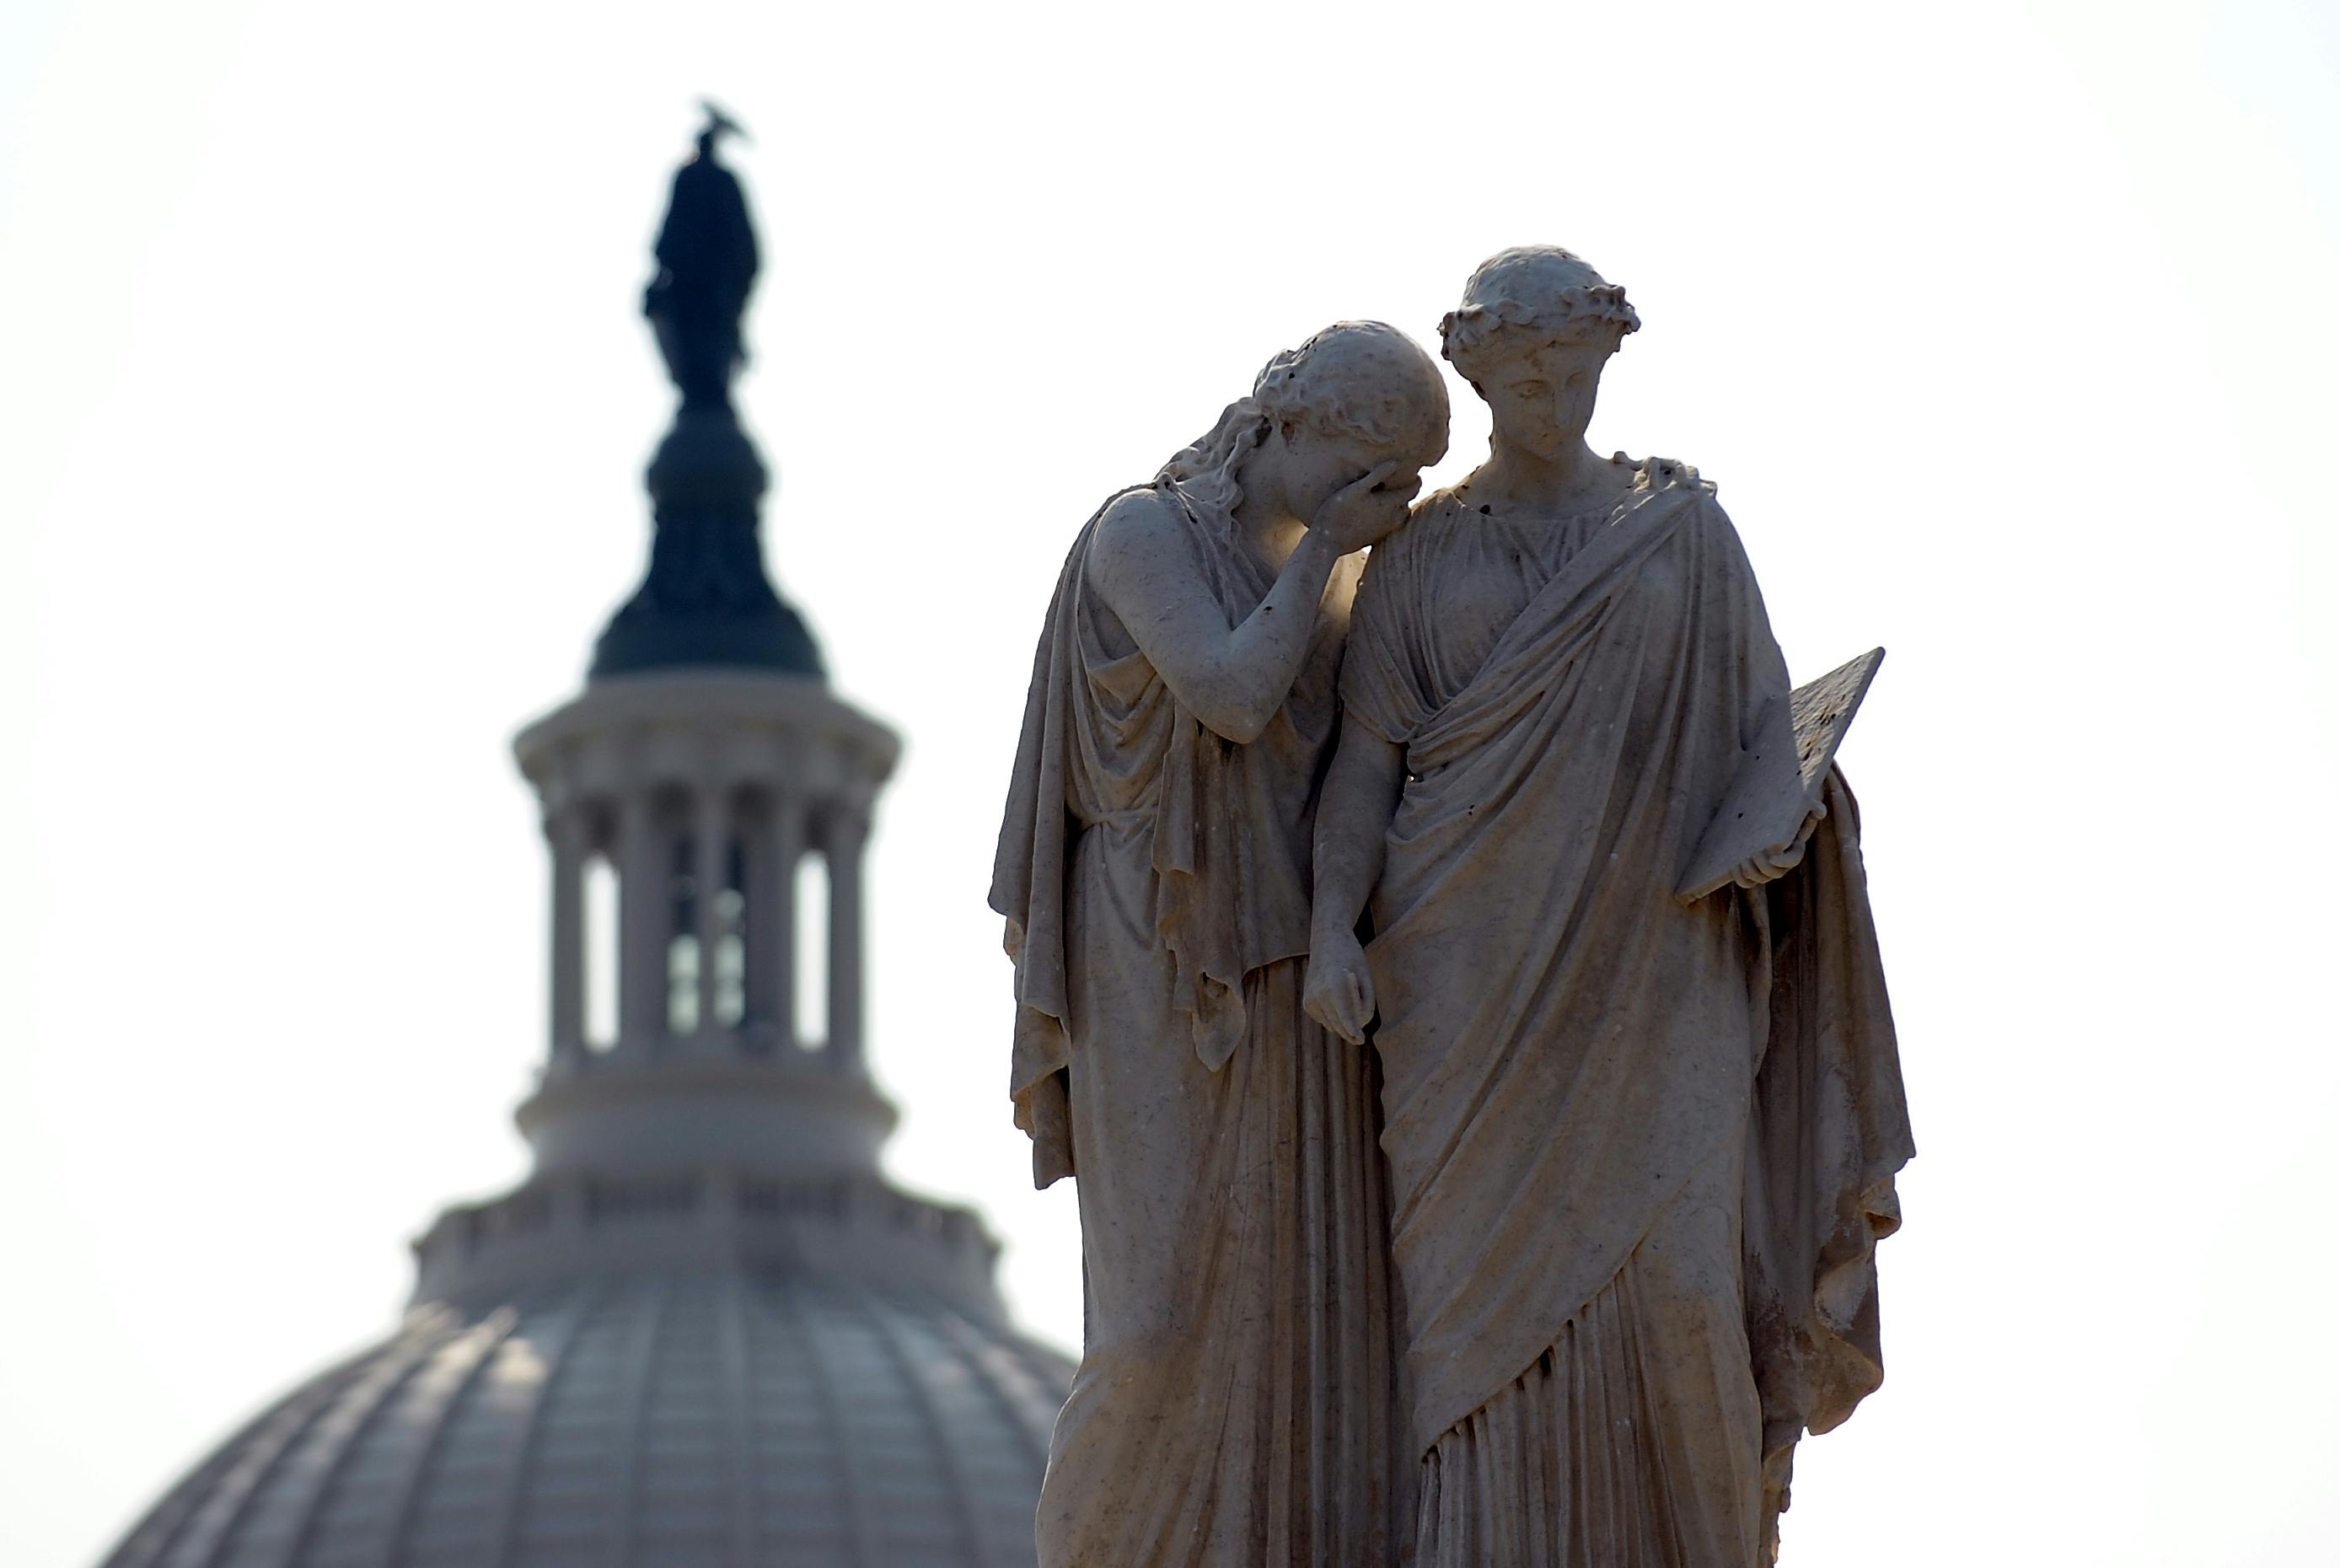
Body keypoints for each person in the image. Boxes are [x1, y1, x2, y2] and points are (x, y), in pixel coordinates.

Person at [1307, 249, 1913, 1566]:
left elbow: (1763, 739)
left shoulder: (1681, 535)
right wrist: (1328, 931)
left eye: (1574, 374)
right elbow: (1363, 767)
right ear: (1477, 379)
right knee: (1466, 1331)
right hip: (1461, 990)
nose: (1553, 400)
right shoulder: (1419, 557)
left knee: (1685, 1287)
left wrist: (1792, 823)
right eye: (1526, 379)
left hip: (1663, 968)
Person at [991, 320, 1450, 1568]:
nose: (1386, 500)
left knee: (1298, 1308)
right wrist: (1330, 556)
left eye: (1407, 482)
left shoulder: (1343, 578)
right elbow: (1234, 696)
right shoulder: (1144, 532)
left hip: (1294, 962)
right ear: (1293, 426)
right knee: (1152, 1323)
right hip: (1156, 943)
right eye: (1372, 469)